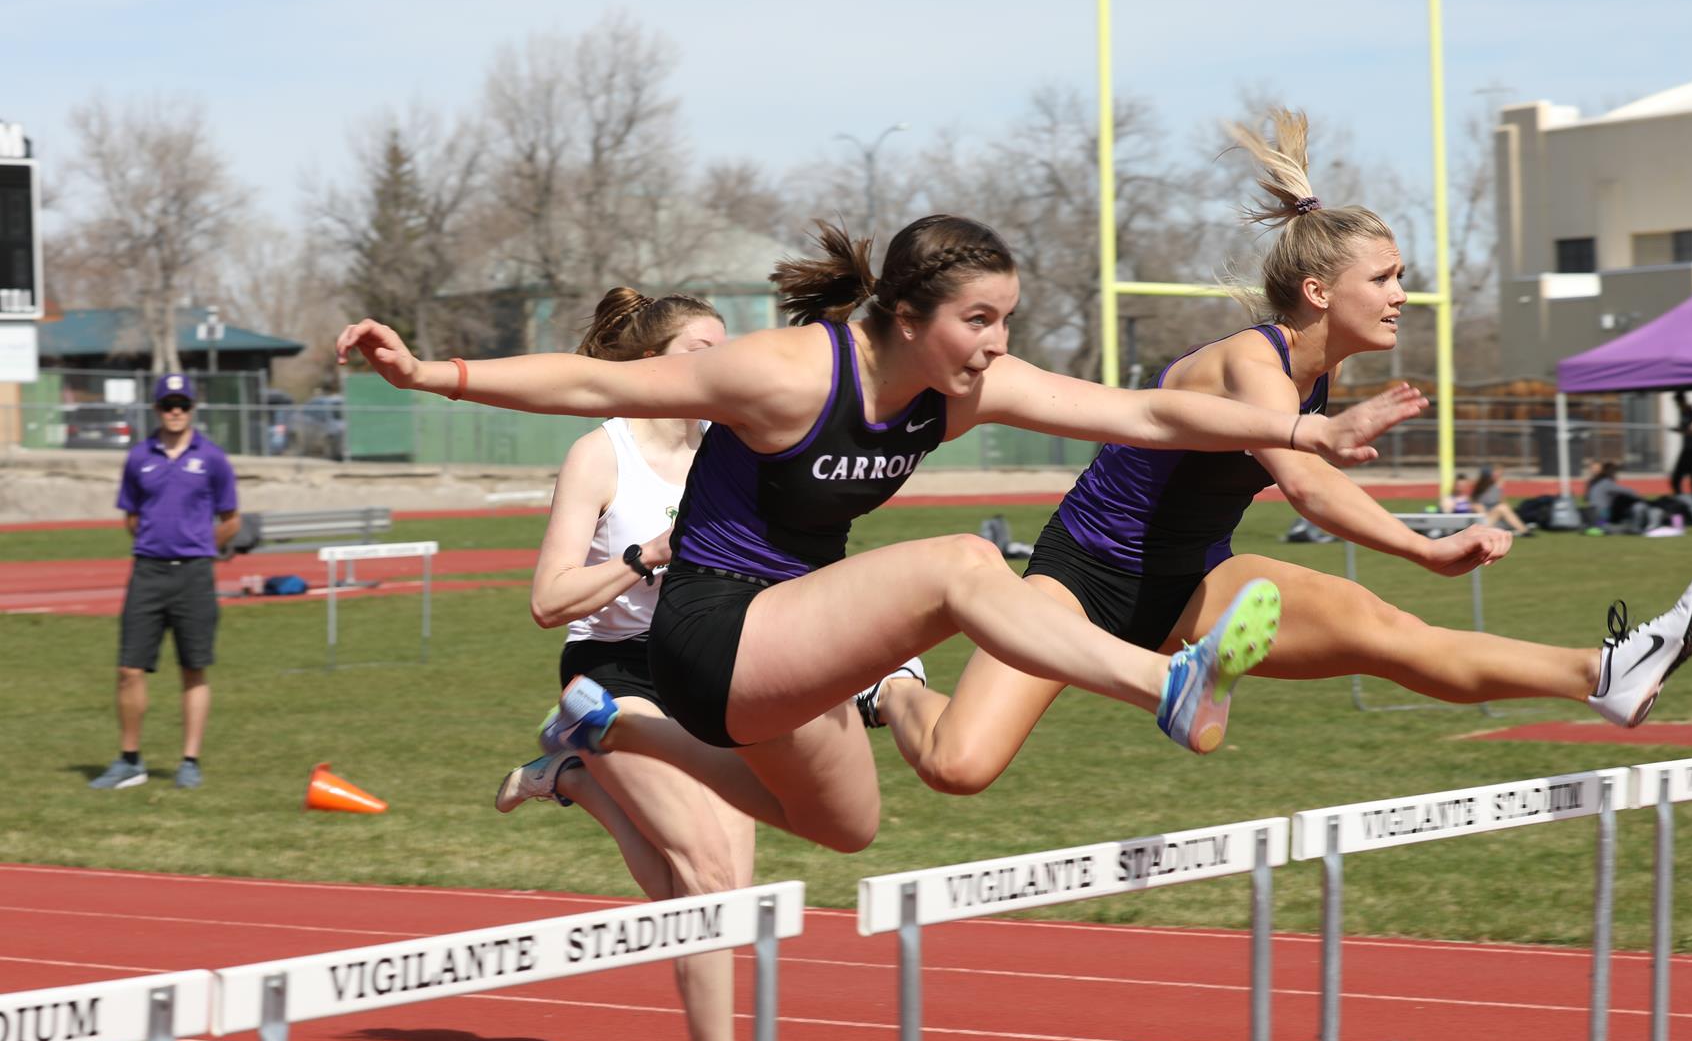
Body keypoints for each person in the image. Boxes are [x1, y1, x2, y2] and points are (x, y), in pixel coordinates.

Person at [334, 214, 1427, 856]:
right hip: (717, 626)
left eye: (1006, 321)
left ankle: (601, 732)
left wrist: (1303, 427)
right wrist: (431, 371)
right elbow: (591, 378)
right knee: (963, 561)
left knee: (847, 828)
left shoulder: (957, 391)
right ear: (907, 318)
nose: (998, 345)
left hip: (786, 652)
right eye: (979, 321)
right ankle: (1164, 686)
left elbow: (1142, 412)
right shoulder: (787, 371)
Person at [869, 109, 1692, 797]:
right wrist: (1422, 545)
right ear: (1319, 292)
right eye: (1384, 277)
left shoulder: (1317, 378)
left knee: (1397, 638)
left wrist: (1418, 551)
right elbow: (1304, 480)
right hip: (1083, 576)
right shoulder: (1252, 361)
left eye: (1399, 275)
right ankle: (893, 686)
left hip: (1199, 582)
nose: (1401, 293)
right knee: (957, 765)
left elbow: (1309, 476)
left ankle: (1604, 671)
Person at [493, 288, 796, 1041]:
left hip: (703, 665)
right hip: (608, 672)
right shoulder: (601, 454)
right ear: (657, 365)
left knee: (725, 888)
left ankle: (574, 781)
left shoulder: (730, 452)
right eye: (704, 349)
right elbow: (549, 600)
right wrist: (646, 554)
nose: (723, 366)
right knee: (701, 872)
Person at [90, 374, 240, 791]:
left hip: (194, 575)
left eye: (183, 404)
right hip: (148, 573)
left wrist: (199, 547)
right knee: (128, 669)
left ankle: (189, 760)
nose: (176, 411)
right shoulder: (139, 457)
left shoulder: (212, 458)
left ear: (192, 408)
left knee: (194, 668)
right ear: (156, 408)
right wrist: (156, 542)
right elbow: (132, 516)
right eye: (168, 404)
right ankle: (129, 760)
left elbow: (232, 521)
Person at [1468, 466, 1533, 535]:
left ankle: (1524, 530)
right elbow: (1473, 503)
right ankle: (1524, 530)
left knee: (1502, 507)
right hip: (1485, 519)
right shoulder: (1480, 488)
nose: (1497, 475)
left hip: (1495, 519)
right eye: (1494, 473)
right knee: (1482, 507)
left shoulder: (1496, 487)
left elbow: (1502, 501)